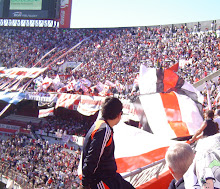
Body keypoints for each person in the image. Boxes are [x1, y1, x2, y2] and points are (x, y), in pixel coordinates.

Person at [81, 97, 134, 189]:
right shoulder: (104, 130)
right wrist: (85, 184)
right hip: (100, 180)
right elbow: (92, 158)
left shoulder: (100, 125)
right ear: (119, 114)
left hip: (109, 177)